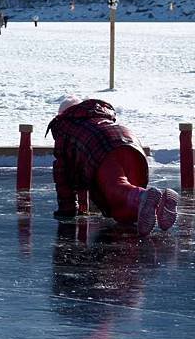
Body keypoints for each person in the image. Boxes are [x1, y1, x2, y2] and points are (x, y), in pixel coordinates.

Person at [46, 96, 179, 236]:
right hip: (132, 144)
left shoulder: (66, 126)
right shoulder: (100, 114)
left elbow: (63, 174)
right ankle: (159, 210)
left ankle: (143, 196)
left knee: (117, 187)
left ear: (62, 114)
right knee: (120, 209)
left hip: (103, 148)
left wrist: (66, 210)